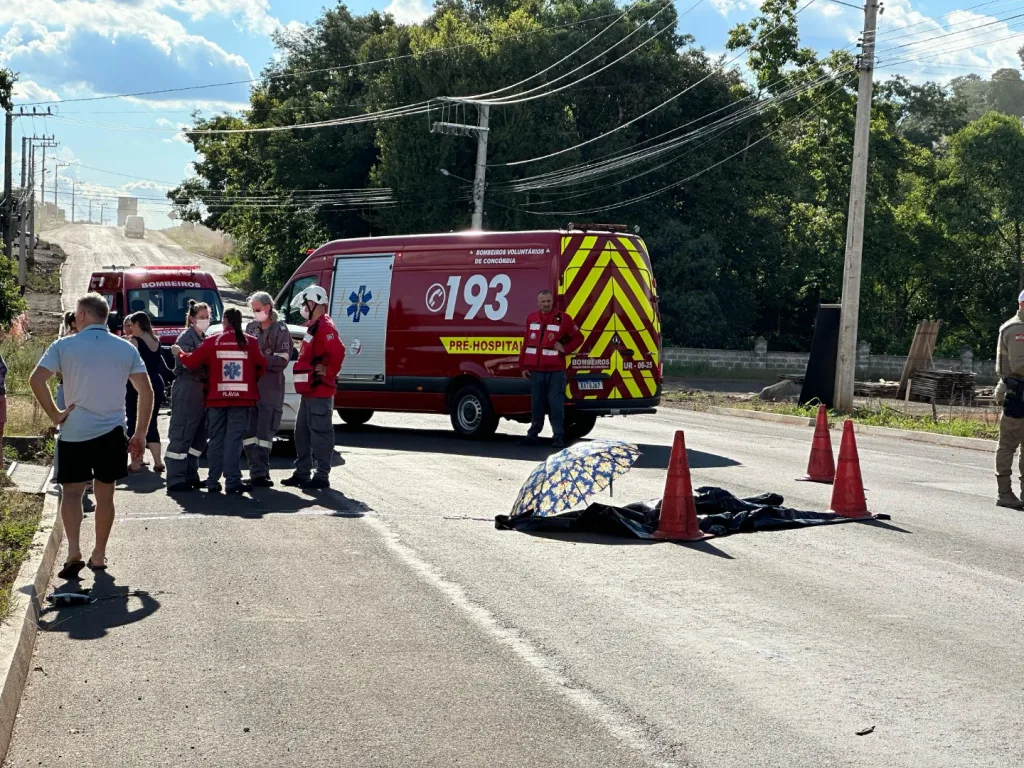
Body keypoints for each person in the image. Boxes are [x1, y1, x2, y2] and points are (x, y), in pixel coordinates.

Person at [29, 293, 153, 577]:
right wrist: (140, 433)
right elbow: (146, 391)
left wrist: (55, 414)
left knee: (71, 493)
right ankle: (99, 555)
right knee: (105, 493)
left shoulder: (64, 345)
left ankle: (74, 550)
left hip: (74, 430)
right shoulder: (125, 349)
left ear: (82, 315)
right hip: (111, 432)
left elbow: (36, 380)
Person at [173, 307, 266, 494]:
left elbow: (191, 362)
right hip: (242, 400)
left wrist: (179, 353)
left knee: (216, 440)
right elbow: (261, 366)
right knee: (234, 440)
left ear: (224, 321)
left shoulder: (212, 341)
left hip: (216, 399)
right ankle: (232, 481)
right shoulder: (251, 342)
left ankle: (212, 481)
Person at [281, 285, 345, 490]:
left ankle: (321, 475)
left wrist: (329, 370)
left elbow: (338, 351)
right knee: (302, 433)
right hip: (309, 391)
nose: (303, 307)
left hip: (319, 391)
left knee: (320, 433)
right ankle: (302, 473)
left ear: (315, 302)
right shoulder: (315, 325)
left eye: (306, 303)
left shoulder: (325, 327)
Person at [516, 290, 584, 449]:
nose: (546, 304)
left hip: (556, 371)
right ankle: (533, 436)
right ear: (538, 303)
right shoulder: (532, 317)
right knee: (537, 404)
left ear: (552, 301)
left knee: (556, 405)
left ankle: (558, 437)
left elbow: (579, 337)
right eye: (543, 301)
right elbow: (526, 343)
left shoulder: (563, 318)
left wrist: (565, 348)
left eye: (548, 301)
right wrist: (523, 366)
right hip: (536, 370)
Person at [243, 292, 292, 487]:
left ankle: (261, 473)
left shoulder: (281, 329)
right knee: (249, 432)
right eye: (253, 310)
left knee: (265, 433)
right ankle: (254, 470)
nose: (255, 313)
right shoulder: (250, 328)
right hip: (250, 389)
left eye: (258, 309)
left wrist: (261, 360)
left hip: (270, 388)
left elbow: (282, 359)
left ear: (268, 307)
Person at [165, 300, 211, 493]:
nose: (205, 320)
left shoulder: (203, 337)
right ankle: (175, 478)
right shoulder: (187, 337)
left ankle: (191, 474)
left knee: (198, 436)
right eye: (201, 317)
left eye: (207, 317)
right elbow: (189, 363)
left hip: (200, 390)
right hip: (187, 387)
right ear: (192, 319)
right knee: (182, 432)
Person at [124, 312, 169, 472]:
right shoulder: (155, 340)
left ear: (138, 324)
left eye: (132, 325)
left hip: (139, 382)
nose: (130, 328)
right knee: (152, 420)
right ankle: (158, 461)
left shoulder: (134, 341)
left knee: (134, 420)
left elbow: (128, 363)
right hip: (156, 381)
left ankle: (136, 462)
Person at [994, 290, 1024, 508]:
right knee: (1008, 446)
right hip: (1017, 393)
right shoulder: (1017, 330)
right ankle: (1004, 493)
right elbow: (1019, 365)